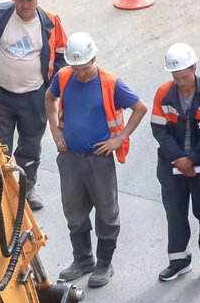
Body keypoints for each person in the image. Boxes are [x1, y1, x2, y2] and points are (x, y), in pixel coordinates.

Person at [44, 32, 148, 288]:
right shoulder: (64, 76)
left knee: (106, 213)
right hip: (70, 159)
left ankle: (103, 264)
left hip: (98, 160)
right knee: (74, 212)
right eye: (75, 68)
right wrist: (55, 129)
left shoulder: (111, 83)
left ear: (94, 59)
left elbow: (140, 108)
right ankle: (83, 260)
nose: (80, 73)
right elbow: (49, 98)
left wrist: (119, 138)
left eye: (84, 67)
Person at [0, 0, 68, 211]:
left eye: (30, 0)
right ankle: (1, 191)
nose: (25, 5)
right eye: (21, 0)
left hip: (35, 98)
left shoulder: (51, 21)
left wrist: (50, 90)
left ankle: (27, 189)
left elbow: (62, 58)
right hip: (0, 97)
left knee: (30, 146)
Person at [150, 43, 200, 286]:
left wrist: (191, 160)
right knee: (175, 214)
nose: (181, 83)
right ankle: (179, 261)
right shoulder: (164, 93)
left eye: (184, 76)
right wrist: (180, 161)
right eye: (175, 77)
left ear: (194, 68)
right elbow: (159, 130)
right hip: (172, 167)